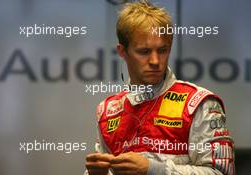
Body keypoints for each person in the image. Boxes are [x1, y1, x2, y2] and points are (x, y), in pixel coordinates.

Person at [85, 1, 235, 174]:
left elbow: (222, 172)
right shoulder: (108, 110)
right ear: (122, 52)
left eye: (162, 50)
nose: (155, 61)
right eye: (144, 51)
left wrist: (154, 170)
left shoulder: (197, 103)